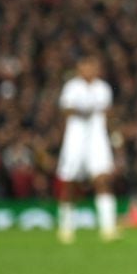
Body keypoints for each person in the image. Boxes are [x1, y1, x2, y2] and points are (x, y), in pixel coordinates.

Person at [56, 55, 119, 243]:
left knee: (102, 180)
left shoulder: (103, 88)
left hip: (97, 140)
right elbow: (66, 110)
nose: (90, 70)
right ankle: (66, 227)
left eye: (93, 66)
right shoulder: (72, 87)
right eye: (86, 66)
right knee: (69, 182)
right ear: (79, 68)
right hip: (75, 139)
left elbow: (108, 112)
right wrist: (85, 110)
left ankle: (108, 228)